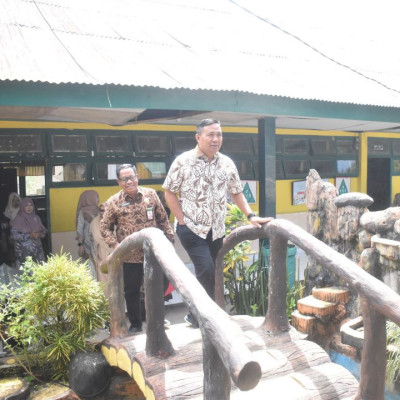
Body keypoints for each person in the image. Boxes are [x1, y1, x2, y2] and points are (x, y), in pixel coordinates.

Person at [163, 118, 273, 328]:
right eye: (210, 134)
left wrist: (251, 216)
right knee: (205, 268)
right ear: (198, 137)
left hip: (217, 231)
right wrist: (181, 220)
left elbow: (236, 192)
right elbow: (169, 192)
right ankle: (207, 315)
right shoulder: (183, 161)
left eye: (219, 134)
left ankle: (194, 315)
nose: (215, 139)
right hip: (192, 228)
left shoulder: (227, 163)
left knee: (212, 270)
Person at [100, 164, 174, 335]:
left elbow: (162, 218)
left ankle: (156, 318)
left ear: (137, 177)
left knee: (159, 286)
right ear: (119, 181)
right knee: (131, 291)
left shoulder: (150, 194)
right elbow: (105, 228)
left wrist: (169, 239)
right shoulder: (114, 202)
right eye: (125, 179)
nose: (129, 181)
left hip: (153, 253)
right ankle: (135, 323)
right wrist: (117, 246)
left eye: (132, 177)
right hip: (130, 257)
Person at [10, 197, 47, 270]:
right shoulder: (18, 220)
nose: (29, 207)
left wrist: (41, 234)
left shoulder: (36, 218)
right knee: (26, 275)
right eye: (26, 205)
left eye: (31, 205)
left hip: (38, 252)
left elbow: (44, 230)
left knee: (39, 272)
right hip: (24, 253)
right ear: (22, 207)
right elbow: (14, 236)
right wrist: (29, 236)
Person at [76, 190, 100, 278]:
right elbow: (80, 230)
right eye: (96, 197)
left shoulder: (101, 210)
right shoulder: (82, 212)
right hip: (87, 245)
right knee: (89, 268)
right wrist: (80, 245)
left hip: (99, 244)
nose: (98, 199)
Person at [90, 202, 111, 299]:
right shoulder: (95, 221)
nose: (103, 213)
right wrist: (114, 247)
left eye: (105, 210)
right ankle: (106, 307)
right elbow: (98, 238)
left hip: (117, 256)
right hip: (102, 255)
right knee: (104, 282)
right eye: (101, 210)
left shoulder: (115, 220)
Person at [1, 192, 21, 266]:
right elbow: (5, 229)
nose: (16, 202)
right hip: (10, 241)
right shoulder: (6, 215)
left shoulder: (23, 213)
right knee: (12, 259)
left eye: (17, 200)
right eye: (13, 200)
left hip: (23, 239)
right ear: (10, 201)